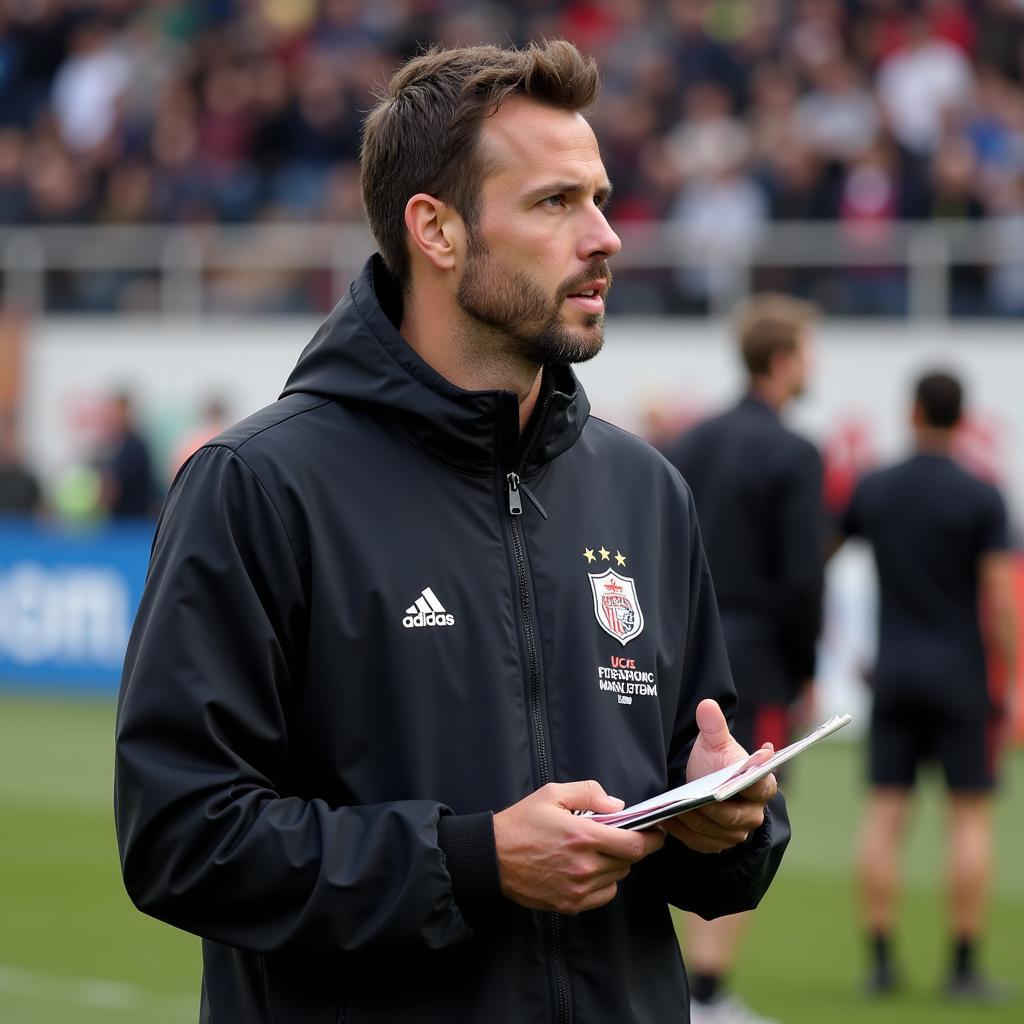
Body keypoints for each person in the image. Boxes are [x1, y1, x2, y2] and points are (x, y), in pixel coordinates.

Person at [114, 41, 791, 1024]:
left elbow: (708, 851)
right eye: (556, 203)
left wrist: (725, 823)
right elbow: (181, 837)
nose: (604, 236)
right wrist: (472, 861)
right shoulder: (258, 483)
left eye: (600, 198)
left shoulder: (646, 489)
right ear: (434, 229)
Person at [663, 295, 825, 1024]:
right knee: (740, 822)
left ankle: (699, 992)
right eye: (807, 350)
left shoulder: (690, 443)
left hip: (681, 657)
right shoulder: (793, 452)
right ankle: (708, 996)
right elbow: (801, 579)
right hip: (755, 663)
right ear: (784, 360)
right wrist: (809, 670)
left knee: (682, 813)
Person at [838, 370, 1017, 1001]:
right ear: (962, 418)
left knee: (885, 815)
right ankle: (963, 966)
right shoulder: (981, 493)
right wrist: (1013, 676)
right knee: (969, 819)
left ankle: (881, 962)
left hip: (895, 673)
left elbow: (822, 562)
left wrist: (840, 648)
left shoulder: (878, 486)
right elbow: (999, 597)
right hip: (962, 676)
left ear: (913, 411)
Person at [98, 390, 156, 519]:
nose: (112, 419)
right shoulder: (117, 447)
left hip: (131, 527)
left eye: (117, 413)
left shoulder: (133, 447)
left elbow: (111, 492)